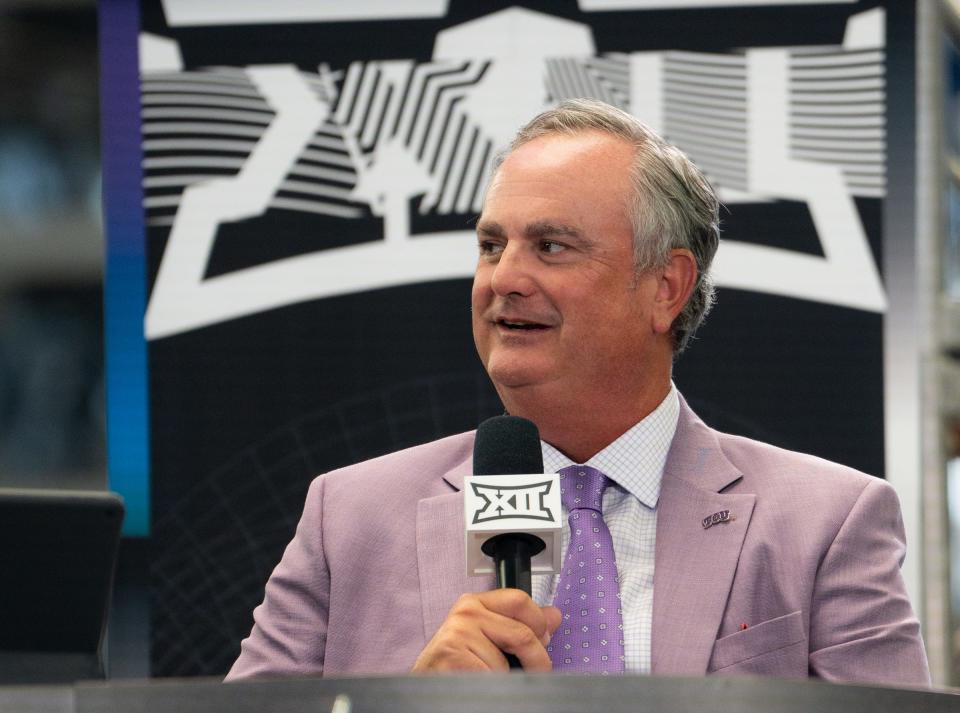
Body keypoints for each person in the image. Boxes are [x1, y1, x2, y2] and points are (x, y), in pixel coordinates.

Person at [226, 99, 930, 684]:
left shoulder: (827, 524)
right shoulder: (348, 519)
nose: (505, 278)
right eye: (491, 245)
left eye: (552, 246)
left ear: (665, 287)